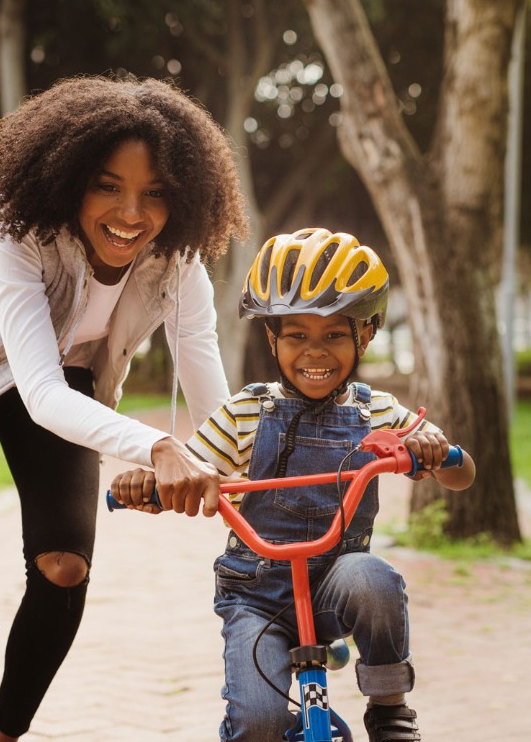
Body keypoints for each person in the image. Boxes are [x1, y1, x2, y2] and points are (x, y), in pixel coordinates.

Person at [0, 74, 249, 742]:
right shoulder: (10, 224)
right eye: (107, 185)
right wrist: (159, 447)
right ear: (68, 176)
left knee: (64, 564)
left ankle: (1, 737)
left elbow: (199, 354)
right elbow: (38, 392)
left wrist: (240, 457)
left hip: (62, 371)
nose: (131, 213)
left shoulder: (177, 256)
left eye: (155, 193)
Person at [110, 228, 476, 742]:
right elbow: (191, 468)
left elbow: (462, 475)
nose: (315, 352)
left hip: (336, 587)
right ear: (272, 337)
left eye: (334, 335)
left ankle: (390, 708)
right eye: (297, 335)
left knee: (375, 578)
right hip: (258, 597)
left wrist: (437, 452)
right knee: (257, 723)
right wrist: (147, 485)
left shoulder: (376, 412)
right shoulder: (245, 412)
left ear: (365, 335)